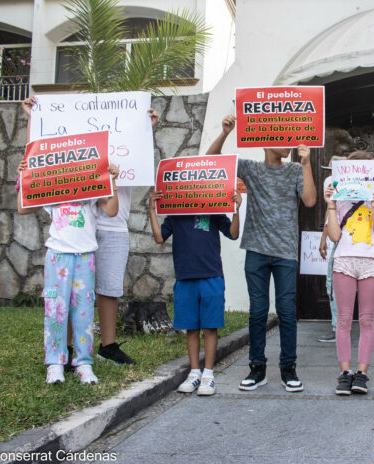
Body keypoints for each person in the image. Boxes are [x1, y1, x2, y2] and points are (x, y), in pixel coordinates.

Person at [207, 115, 316, 392]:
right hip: (256, 250)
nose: (291, 143)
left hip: (285, 253)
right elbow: (211, 160)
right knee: (257, 312)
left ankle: (288, 369)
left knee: (286, 313)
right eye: (284, 138)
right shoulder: (251, 169)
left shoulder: (294, 170)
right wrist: (225, 132)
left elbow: (310, 200)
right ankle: (257, 369)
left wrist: (305, 164)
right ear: (267, 142)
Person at [18, 98, 120, 384]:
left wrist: (111, 180)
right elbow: (23, 205)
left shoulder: (90, 185)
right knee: (55, 310)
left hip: (85, 255)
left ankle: (84, 363)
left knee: (84, 312)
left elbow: (111, 210)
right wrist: (26, 172)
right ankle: (54, 363)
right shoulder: (52, 187)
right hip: (58, 256)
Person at [147, 189, 241, 395]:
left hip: (211, 276)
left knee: (210, 327)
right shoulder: (176, 213)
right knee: (191, 328)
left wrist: (236, 209)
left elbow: (233, 234)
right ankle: (194, 372)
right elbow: (159, 237)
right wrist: (152, 210)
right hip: (185, 278)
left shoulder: (214, 210)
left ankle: (208, 374)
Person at [95, 108, 159, 365]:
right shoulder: (84, 141)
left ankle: (107, 347)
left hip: (114, 225)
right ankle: (67, 349)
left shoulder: (127, 147)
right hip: (82, 224)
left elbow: (139, 155)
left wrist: (147, 128)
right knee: (77, 292)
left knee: (109, 289)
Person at [324, 151, 374, 395]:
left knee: (366, 319)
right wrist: (331, 204)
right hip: (344, 260)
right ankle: (344, 373)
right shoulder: (339, 199)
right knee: (343, 319)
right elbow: (334, 236)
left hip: (370, 261)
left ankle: (362, 373)